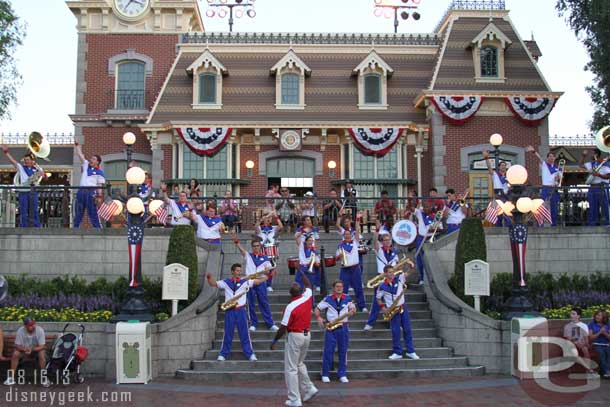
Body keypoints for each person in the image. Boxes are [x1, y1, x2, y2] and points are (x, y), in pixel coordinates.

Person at [270, 272, 318, 407]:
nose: (295, 283)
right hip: (306, 335)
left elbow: (282, 328)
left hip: (295, 336)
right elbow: (308, 284)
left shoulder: (290, 306)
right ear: (300, 290)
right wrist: (300, 272)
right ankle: (309, 388)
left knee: (291, 368)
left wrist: (274, 341)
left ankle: (294, 399)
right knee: (299, 364)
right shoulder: (307, 296)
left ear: (290, 294)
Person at [207, 264, 266, 361]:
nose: (239, 272)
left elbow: (257, 281)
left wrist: (268, 276)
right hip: (230, 311)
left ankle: (250, 354)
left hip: (241, 311)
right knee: (228, 333)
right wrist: (209, 278)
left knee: (244, 333)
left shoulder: (245, 282)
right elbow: (213, 284)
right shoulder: (226, 282)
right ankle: (223, 354)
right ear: (232, 272)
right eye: (237, 271)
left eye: (240, 270)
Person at [233, 233, 279, 332]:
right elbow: (242, 251)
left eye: (258, 246)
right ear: (252, 247)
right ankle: (253, 323)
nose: (256, 248)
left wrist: (270, 272)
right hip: (249, 282)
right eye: (254, 246)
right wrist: (236, 242)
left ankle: (270, 323)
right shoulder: (248, 256)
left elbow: (268, 271)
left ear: (260, 246)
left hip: (261, 283)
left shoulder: (266, 258)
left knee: (264, 303)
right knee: (251, 304)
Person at [315, 280, 356, 383]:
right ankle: (325, 373)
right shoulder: (328, 299)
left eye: (341, 286)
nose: (339, 288)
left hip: (343, 327)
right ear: (333, 288)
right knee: (328, 351)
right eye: (337, 286)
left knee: (343, 351)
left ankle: (342, 374)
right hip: (331, 328)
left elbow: (353, 309)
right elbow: (317, 309)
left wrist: (352, 312)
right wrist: (319, 318)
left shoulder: (347, 298)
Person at [377, 265, 420, 361]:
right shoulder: (382, 286)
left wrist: (411, 266)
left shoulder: (399, 279)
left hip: (402, 308)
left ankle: (411, 351)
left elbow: (409, 272)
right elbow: (378, 298)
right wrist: (383, 308)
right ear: (385, 274)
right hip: (392, 310)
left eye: (392, 272)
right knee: (395, 332)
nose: (392, 274)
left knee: (407, 329)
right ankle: (397, 352)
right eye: (389, 272)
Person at [364, 223, 400, 331]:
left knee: (394, 302)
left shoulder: (394, 251)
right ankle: (370, 323)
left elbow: (397, 264)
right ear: (382, 241)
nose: (387, 241)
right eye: (384, 240)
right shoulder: (379, 250)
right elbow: (375, 241)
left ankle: (393, 322)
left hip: (393, 278)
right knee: (377, 301)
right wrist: (377, 230)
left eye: (388, 240)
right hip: (381, 277)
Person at [2, 147, 45, 227]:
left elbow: (44, 175)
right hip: (23, 192)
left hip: (33, 192)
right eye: (25, 160)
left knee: (34, 209)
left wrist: (38, 168)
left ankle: (37, 226)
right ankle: (24, 226)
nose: (26, 161)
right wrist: (6, 152)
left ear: (32, 160)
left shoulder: (36, 168)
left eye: (28, 159)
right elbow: (12, 161)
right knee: (23, 210)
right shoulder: (21, 168)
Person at [335, 217, 367, 312]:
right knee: (343, 289)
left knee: (358, 288)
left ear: (351, 235)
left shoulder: (355, 243)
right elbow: (336, 258)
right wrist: (339, 256)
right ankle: (343, 306)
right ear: (344, 236)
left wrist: (357, 219)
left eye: (349, 234)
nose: (348, 236)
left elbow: (357, 230)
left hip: (355, 269)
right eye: (346, 234)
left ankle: (362, 306)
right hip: (345, 269)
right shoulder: (340, 245)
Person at [4, 318, 47, 386]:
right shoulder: (20, 331)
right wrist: (24, 350)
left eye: (33, 324)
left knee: (42, 355)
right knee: (15, 354)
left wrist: (31, 349)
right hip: (23, 351)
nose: (32, 326)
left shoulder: (40, 330)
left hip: (36, 351)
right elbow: (17, 345)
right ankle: (11, 378)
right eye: (30, 325)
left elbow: (42, 346)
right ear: (25, 326)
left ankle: (44, 377)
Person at [526, 146, 563, 226]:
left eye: (553, 156)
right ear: (547, 158)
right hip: (545, 188)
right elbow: (540, 158)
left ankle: (554, 224)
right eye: (549, 156)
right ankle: (540, 224)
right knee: (541, 206)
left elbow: (559, 181)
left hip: (553, 188)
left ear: (555, 158)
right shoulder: (544, 165)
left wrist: (557, 179)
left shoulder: (558, 168)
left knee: (554, 207)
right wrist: (534, 151)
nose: (551, 158)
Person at [74, 141, 105, 228]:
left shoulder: (100, 172)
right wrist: (77, 146)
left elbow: (99, 185)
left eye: (94, 159)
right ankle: (75, 228)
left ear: (98, 162)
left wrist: (99, 196)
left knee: (92, 212)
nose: (91, 160)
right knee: (78, 211)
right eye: (91, 158)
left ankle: (97, 229)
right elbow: (80, 155)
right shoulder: (86, 165)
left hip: (91, 192)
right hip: (81, 191)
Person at [579, 148, 610, 226]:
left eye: (592, 154)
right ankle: (592, 223)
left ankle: (606, 223)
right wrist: (583, 156)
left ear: (596, 154)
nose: (590, 155)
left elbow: (608, 177)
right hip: (592, 188)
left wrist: (598, 175)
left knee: (604, 205)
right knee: (592, 206)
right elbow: (580, 165)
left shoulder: (606, 164)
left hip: (602, 187)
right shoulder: (591, 164)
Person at [256, 211, 283, 292]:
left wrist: (276, 217)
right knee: (263, 268)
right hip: (262, 250)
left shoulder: (273, 228)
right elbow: (255, 227)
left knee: (271, 268)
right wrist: (261, 219)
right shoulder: (260, 229)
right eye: (267, 218)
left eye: (269, 218)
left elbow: (281, 227)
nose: (268, 219)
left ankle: (269, 284)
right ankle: (262, 284)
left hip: (271, 250)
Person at [414, 200, 440, 285]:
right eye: (424, 207)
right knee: (420, 260)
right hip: (420, 239)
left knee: (431, 259)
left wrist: (434, 229)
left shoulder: (436, 216)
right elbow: (411, 209)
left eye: (428, 206)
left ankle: (432, 279)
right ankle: (422, 278)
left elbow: (441, 229)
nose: (426, 208)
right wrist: (415, 201)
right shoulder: (420, 214)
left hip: (430, 238)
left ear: (431, 207)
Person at [483, 149, 509, 226]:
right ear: (499, 167)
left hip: (507, 197)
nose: (503, 167)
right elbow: (489, 168)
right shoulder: (495, 175)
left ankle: (508, 230)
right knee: (498, 216)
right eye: (502, 165)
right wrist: (486, 158)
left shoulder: (509, 175)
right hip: (498, 196)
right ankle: (498, 230)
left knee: (508, 216)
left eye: (505, 166)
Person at [563, 307, 594, 372]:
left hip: (582, 343)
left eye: (573, 314)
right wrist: (576, 343)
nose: (571, 315)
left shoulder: (584, 325)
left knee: (585, 349)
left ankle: (587, 370)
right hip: (571, 344)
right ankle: (589, 368)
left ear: (578, 316)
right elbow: (568, 338)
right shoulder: (567, 326)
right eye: (571, 314)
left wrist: (584, 344)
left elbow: (586, 338)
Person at [588, 310, 610, 378]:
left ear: (604, 317)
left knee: (609, 352)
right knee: (601, 353)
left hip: (607, 344)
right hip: (596, 344)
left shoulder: (608, 324)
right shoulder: (591, 324)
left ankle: (606, 371)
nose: (597, 316)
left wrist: (605, 333)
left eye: (599, 315)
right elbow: (591, 338)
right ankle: (606, 371)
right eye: (596, 315)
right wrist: (600, 332)